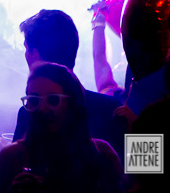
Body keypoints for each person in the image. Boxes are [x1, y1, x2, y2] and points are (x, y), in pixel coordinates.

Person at [0, 62, 124, 193]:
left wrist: (138, 131)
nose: (41, 109)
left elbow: (142, 182)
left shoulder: (102, 153)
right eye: (33, 101)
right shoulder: (11, 158)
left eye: (53, 100)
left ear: (72, 105)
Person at [13, 10, 125, 162]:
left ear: (35, 56)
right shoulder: (113, 108)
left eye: (27, 49)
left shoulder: (33, 112)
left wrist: (2, 157)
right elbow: (149, 175)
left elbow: (17, 175)